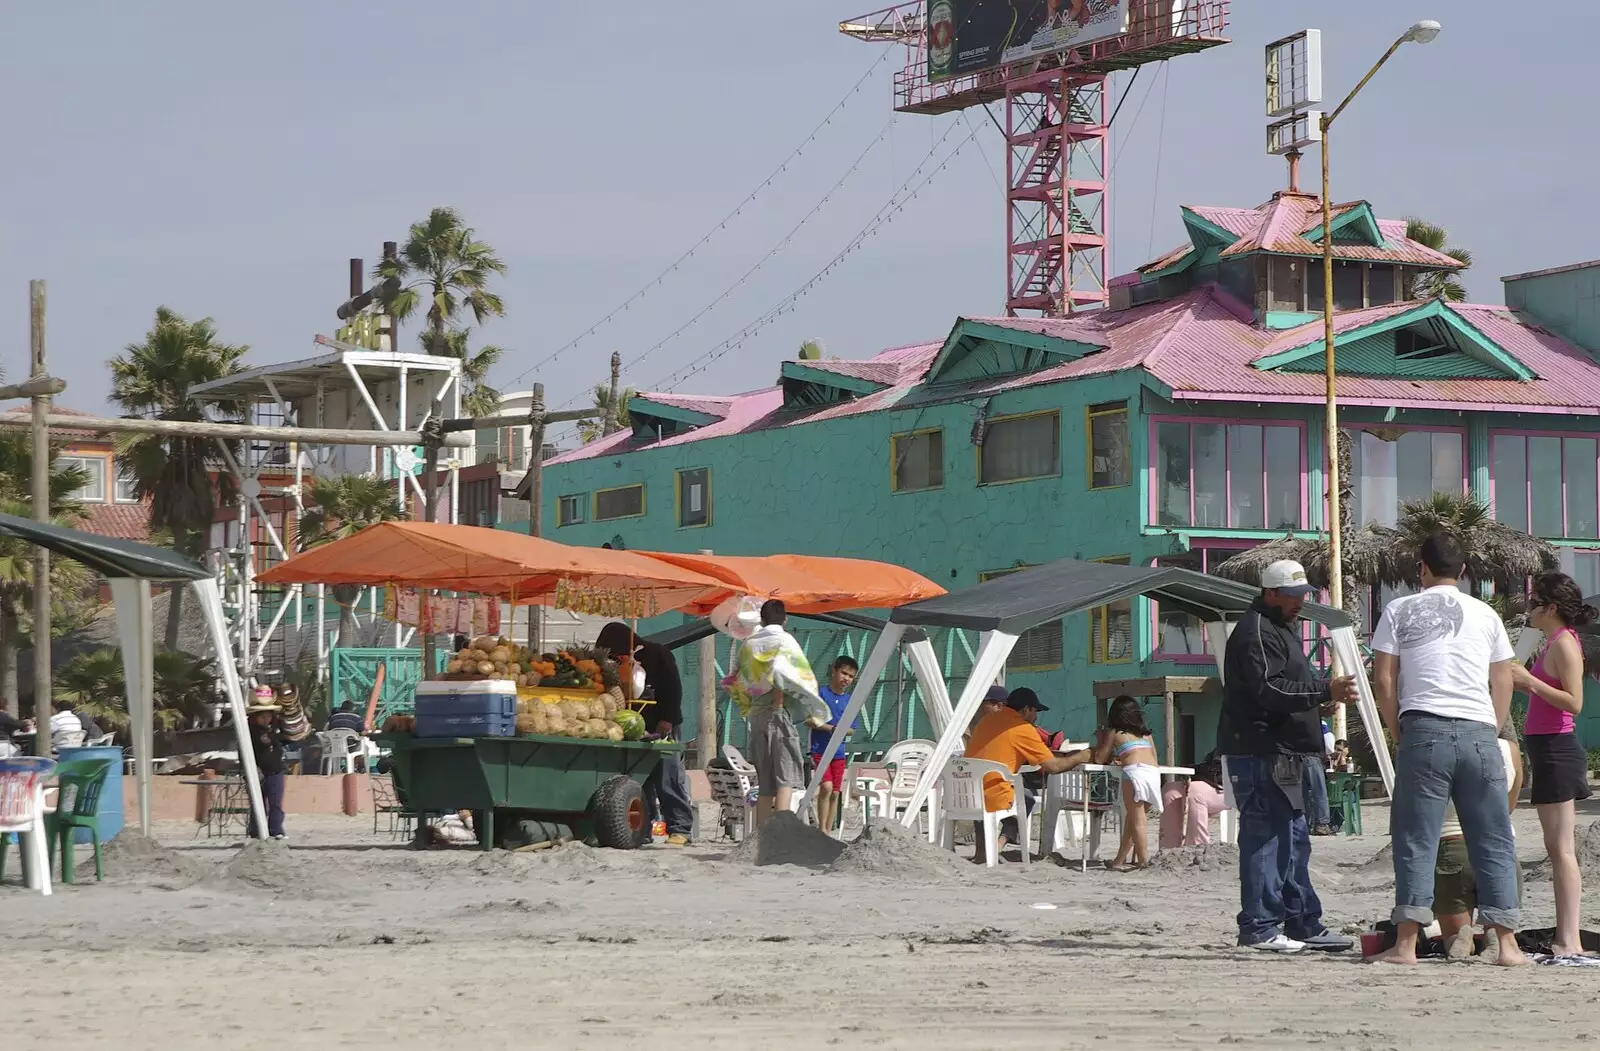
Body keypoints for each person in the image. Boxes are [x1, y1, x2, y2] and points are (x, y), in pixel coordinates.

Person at [1369, 530, 1524, 967]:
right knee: (1493, 838)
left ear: (1422, 568)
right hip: (1478, 731)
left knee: (1416, 838)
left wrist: (1398, 729)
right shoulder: (1487, 614)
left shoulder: (1398, 609)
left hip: (1424, 727)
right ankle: (1507, 946)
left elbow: (1384, 679)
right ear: (1464, 571)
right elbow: (1503, 679)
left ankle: (1404, 946)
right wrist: (1491, 729)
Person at [1218, 558, 1356, 954]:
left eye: (1303, 597)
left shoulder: (1278, 630)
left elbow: (1286, 689)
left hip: (1285, 754)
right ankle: (1260, 927)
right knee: (1266, 840)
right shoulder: (1256, 631)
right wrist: (1323, 692)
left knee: (1294, 841)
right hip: (1261, 751)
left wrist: (1317, 703)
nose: (1300, 604)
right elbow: (1269, 690)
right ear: (1270, 593)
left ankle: (1302, 923)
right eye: (1293, 597)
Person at [1510, 571, 1593, 957]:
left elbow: (1574, 702)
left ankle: (1569, 938)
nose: (1529, 609)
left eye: (1534, 602)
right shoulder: (1549, 643)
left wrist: (1530, 682)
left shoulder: (1564, 644)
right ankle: (1566, 935)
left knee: (1561, 850)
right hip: (1545, 747)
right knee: (1554, 847)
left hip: (1559, 748)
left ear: (1552, 608)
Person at [728, 601, 825, 828]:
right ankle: (780, 834)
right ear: (785, 619)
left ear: (761, 619)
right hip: (778, 712)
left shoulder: (749, 644)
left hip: (756, 715)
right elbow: (794, 675)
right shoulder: (785, 641)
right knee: (785, 778)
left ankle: (760, 834)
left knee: (765, 782)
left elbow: (736, 678)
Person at [597, 621, 693, 845]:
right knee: (641, 780)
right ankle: (644, 829)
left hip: (661, 724)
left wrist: (667, 718)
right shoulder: (617, 662)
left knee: (667, 777)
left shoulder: (658, 654)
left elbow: (673, 688)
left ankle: (680, 828)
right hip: (635, 726)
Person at [965, 688, 1083, 863]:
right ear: (1027, 709)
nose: (1036, 717)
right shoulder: (1022, 728)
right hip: (991, 796)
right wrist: (1083, 755)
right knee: (1026, 799)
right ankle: (999, 844)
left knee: (987, 786)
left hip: (965, 793)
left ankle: (983, 851)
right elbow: (1053, 766)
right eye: (1035, 711)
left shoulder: (986, 721)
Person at [1092, 695, 1162, 871]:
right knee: (1133, 820)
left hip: (1134, 773)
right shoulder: (1146, 734)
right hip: (1153, 773)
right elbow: (1154, 757)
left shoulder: (1115, 732)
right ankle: (1119, 861)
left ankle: (1145, 862)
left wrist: (1113, 753)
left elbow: (1100, 758)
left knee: (1138, 821)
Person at [807, 655, 859, 834]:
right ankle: (821, 829)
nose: (846, 679)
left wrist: (841, 730)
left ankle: (829, 830)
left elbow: (852, 729)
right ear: (834, 671)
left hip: (839, 752)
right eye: (844, 673)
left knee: (836, 792)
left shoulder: (850, 700)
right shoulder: (821, 694)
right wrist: (830, 728)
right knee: (826, 787)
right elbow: (809, 720)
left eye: (851, 676)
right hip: (820, 749)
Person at [1160, 751, 1227, 849]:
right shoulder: (1223, 744)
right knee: (1170, 791)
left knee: (1196, 792)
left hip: (1233, 789)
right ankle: (1168, 851)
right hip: (1211, 784)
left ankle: (1197, 849)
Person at [246, 695, 288, 841]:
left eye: (268, 716)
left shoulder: (276, 728)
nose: (266, 720)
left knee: (275, 803)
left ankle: (276, 829)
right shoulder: (250, 731)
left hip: (276, 770)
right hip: (257, 771)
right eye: (262, 717)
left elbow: (284, 738)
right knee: (258, 804)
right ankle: (256, 830)